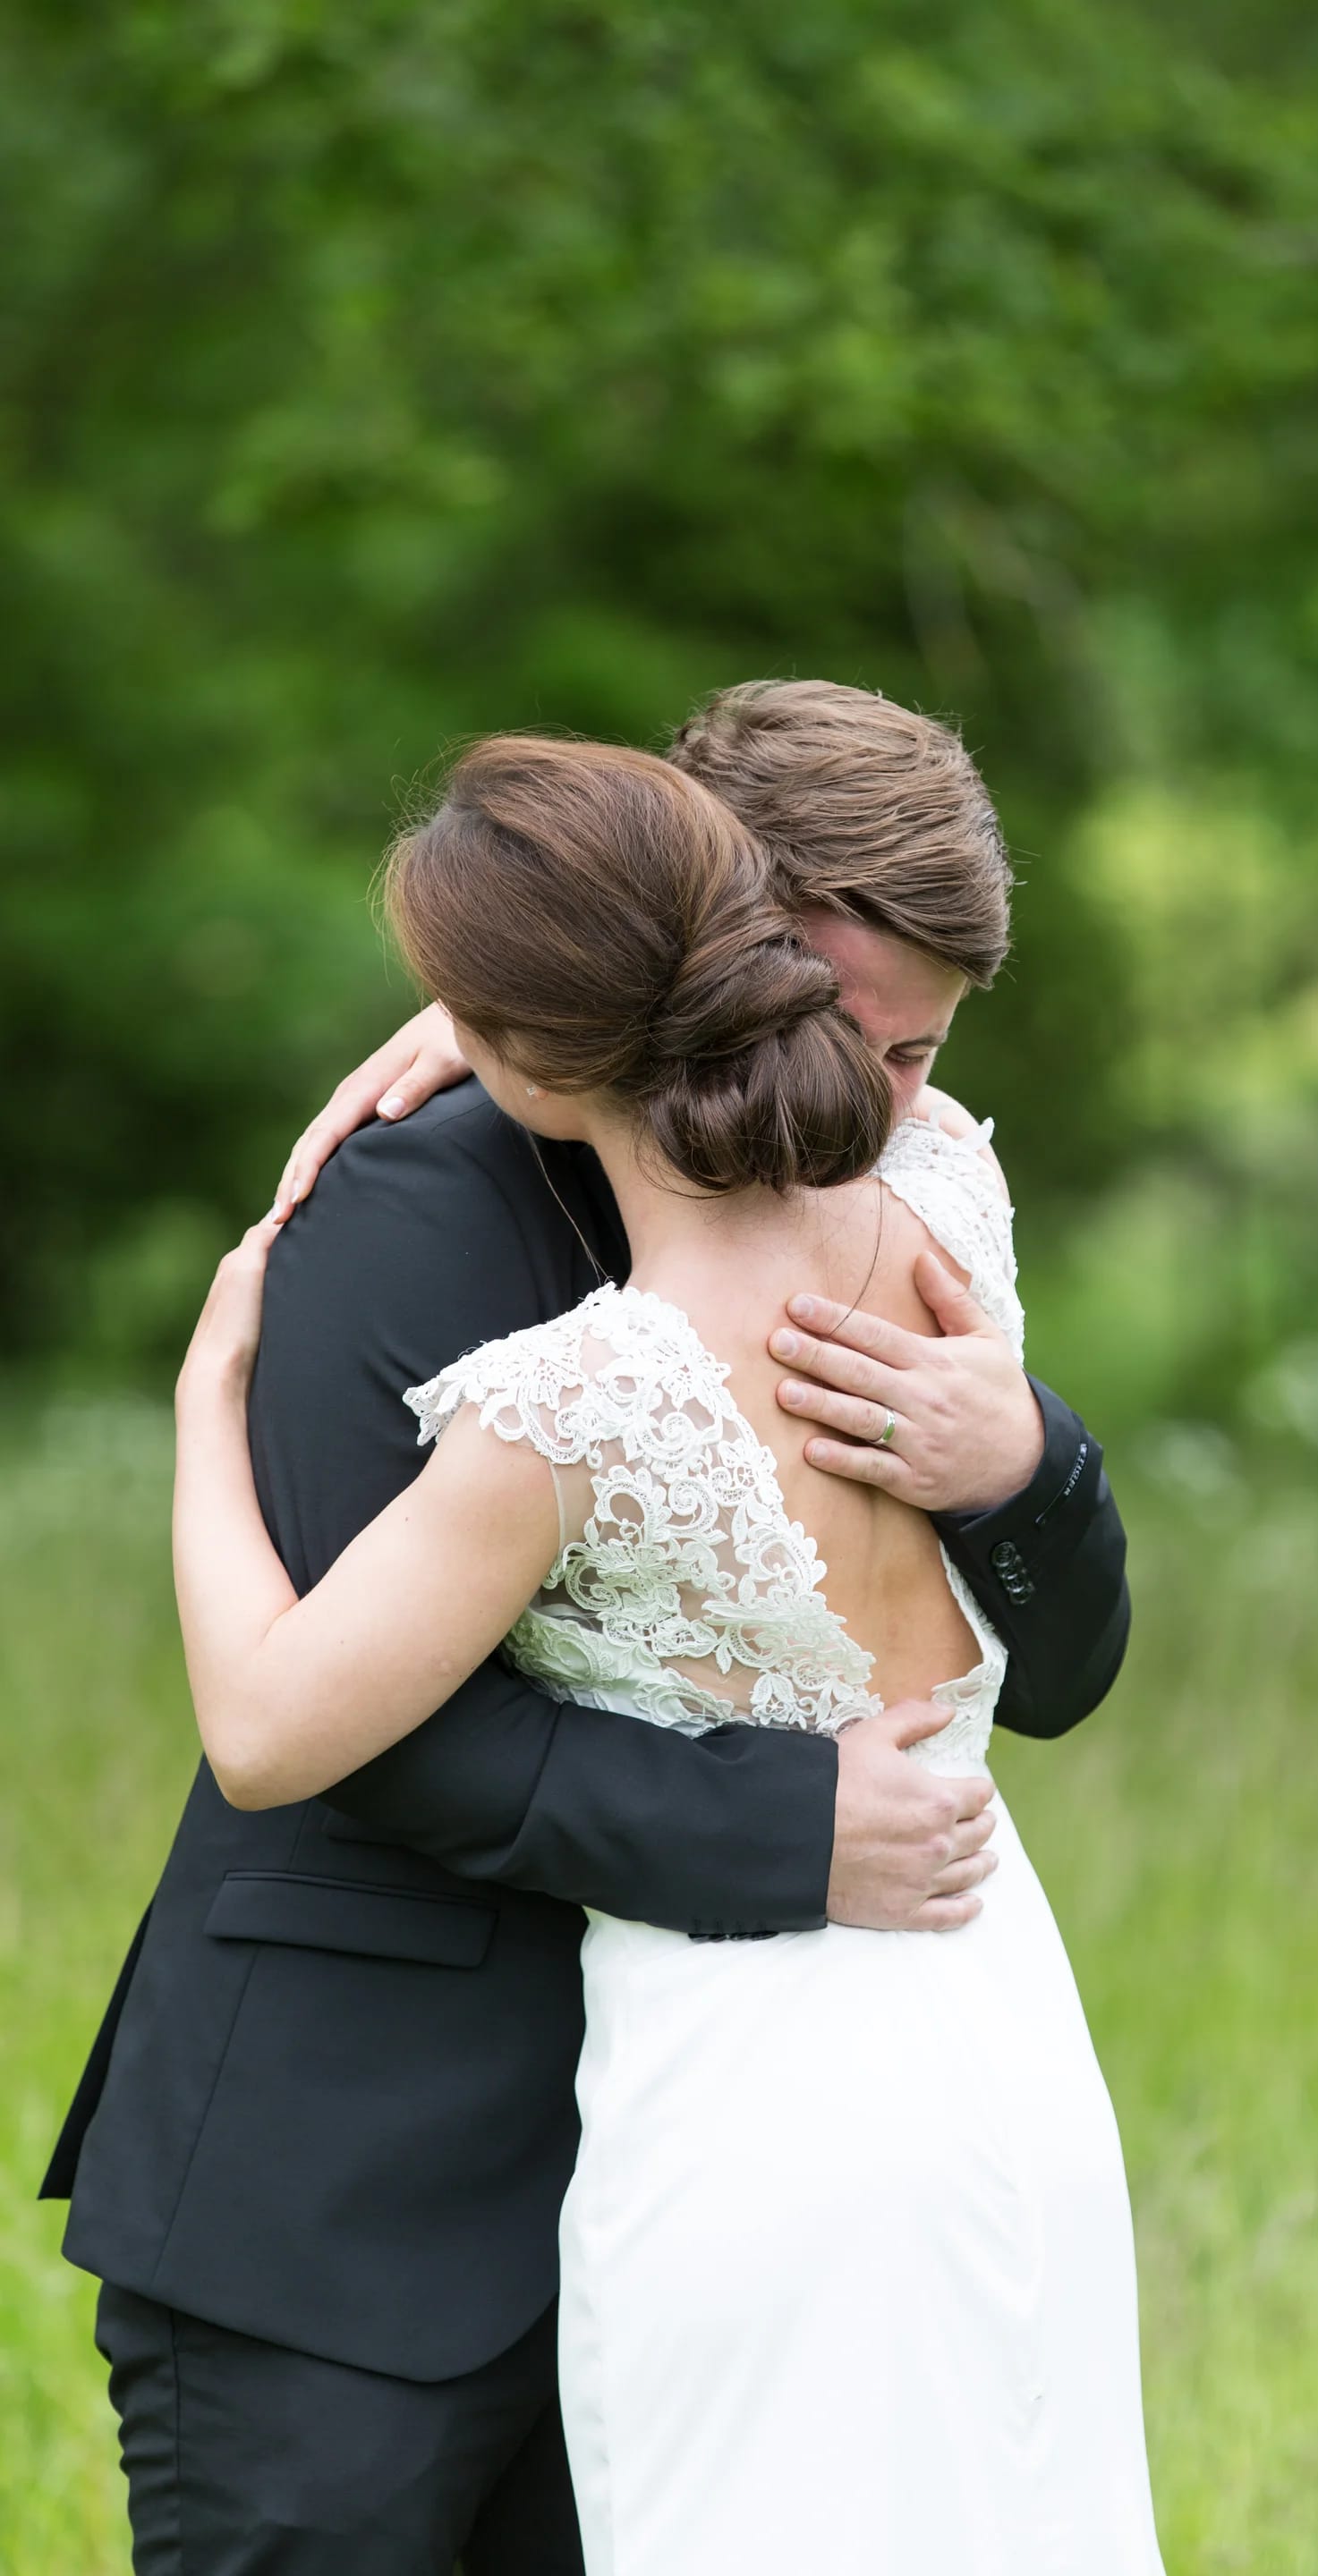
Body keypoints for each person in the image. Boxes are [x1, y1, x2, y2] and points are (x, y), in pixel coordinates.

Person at [44, 685, 1136, 2573]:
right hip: (364, 2197)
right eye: (842, 1029)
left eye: (916, 1052)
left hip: (772, 2151)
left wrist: (1025, 1459)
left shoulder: (923, 1181)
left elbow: (1065, 1670)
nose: (873, 1105)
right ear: (709, 922)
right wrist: (785, 1829)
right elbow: (357, 1725)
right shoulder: (408, 1204)